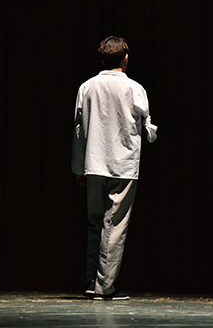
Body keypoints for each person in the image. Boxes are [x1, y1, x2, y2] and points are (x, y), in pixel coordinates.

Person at [71, 36, 158, 300]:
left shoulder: (87, 86)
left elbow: (78, 129)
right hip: (123, 165)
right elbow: (149, 129)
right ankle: (104, 286)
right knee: (114, 225)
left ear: (102, 60)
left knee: (95, 223)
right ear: (126, 58)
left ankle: (91, 281)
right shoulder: (134, 88)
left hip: (93, 162)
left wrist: (79, 167)